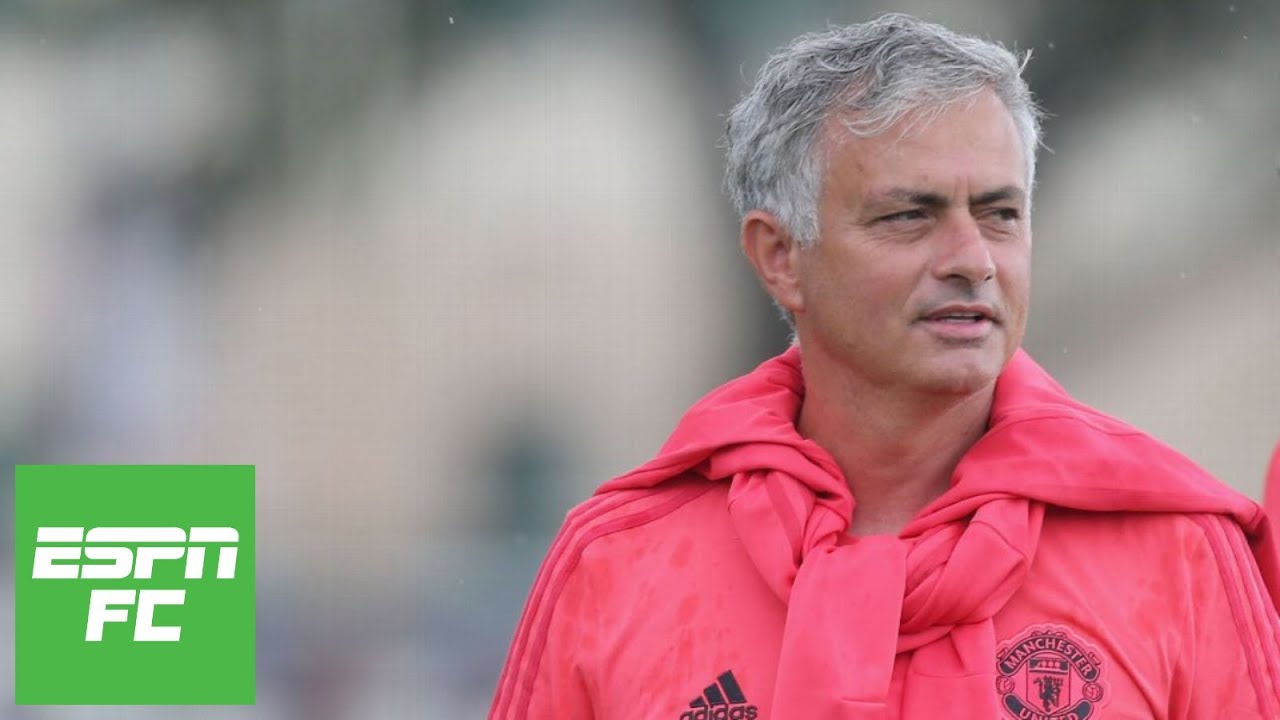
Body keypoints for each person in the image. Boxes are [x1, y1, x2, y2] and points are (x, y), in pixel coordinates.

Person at [490, 14, 1280, 719]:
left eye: (1000, 214)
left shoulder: (1179, 548)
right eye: (910, 216)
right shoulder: (617, 563)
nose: (972, 259)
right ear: (780, 257)